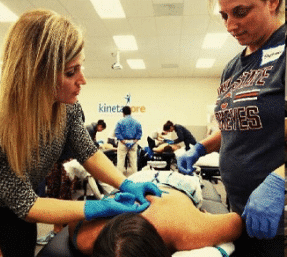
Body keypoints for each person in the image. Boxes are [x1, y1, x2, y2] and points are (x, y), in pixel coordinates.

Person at [0, 10, 161, 256]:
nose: (83, 80)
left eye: (81, 68)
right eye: (71, 72)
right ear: (37, 76)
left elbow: (88, 152)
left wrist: (125, 183)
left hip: (23, 192)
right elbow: (29, 205)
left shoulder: (66, 109)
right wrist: (95, 208)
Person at [178, 0, 285, 256]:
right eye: (224, 15)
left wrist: (279, 180)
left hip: (279, 219)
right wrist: (200, 148)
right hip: (239, 209)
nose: (230, 26)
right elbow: (232, 126)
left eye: (240, 12)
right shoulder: (233, 68)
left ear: (272, 2)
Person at [68, 170, 243, 256]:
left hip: (174, 184)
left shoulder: (187, 232)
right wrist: (102, 206)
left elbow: (236, 222)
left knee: (192, 179)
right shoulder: (87, 239)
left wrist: (205, 220)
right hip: (133, 181)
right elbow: (71, 221)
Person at [115, 106, 142, 176]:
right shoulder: (137, 122)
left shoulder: (120, 122)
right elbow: (140, 133)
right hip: (133, 142)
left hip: (123, 143)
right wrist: (135, 141)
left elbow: (117, 133)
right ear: (130, 112)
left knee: (120, 161)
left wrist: (123, 141)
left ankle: (119, 178)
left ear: (123, 113)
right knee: (133, 161)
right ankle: (134, 177)